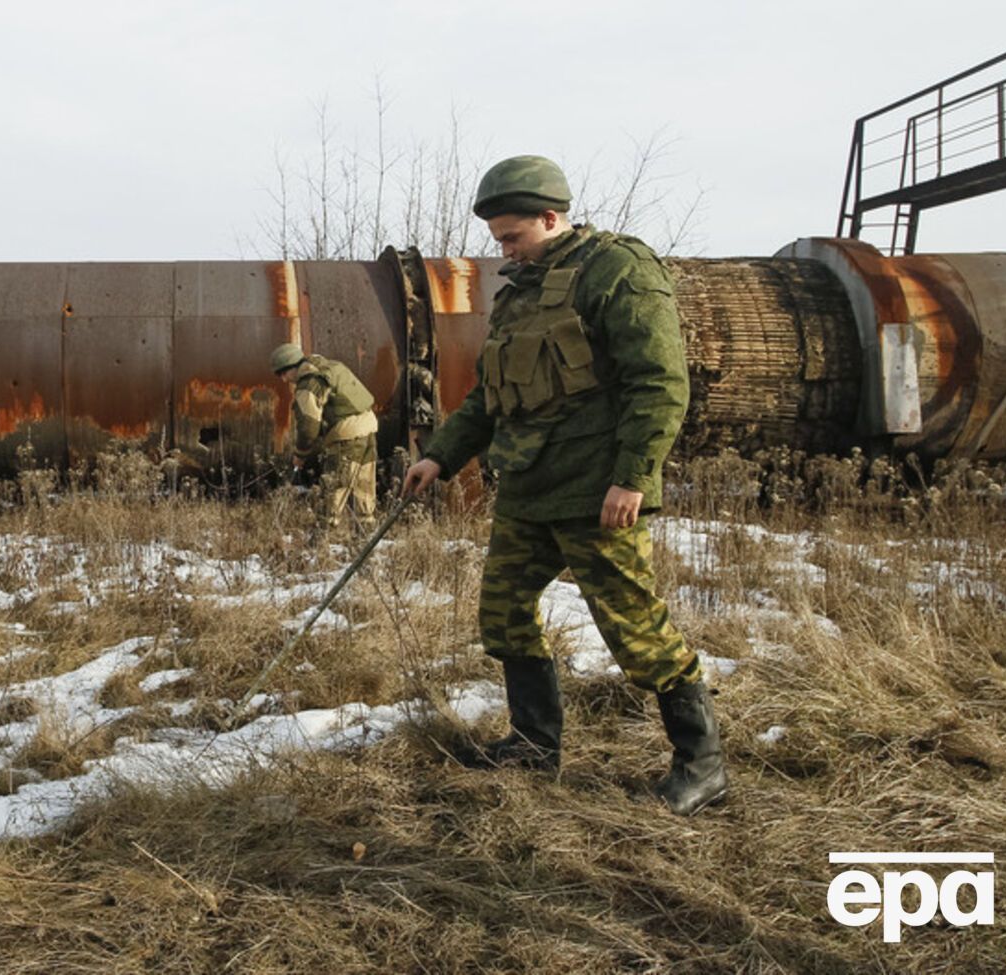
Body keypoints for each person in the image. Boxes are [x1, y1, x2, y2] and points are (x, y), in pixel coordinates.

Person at [401, 155, 728, 816]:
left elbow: (660, 381)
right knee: (503, 610)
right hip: (529, 482)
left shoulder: (619, 270)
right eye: (498, 240)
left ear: (552, 217)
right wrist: (440, 455)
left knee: (633, 626)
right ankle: (532, 743)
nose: (504, 250)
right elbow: (493, 395)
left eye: (513, 236)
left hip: (595, 489)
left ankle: (703, 763)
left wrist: (632, 476)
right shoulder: (521, 290)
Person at [270, 343, 379, 532]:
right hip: (368, 428)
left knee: (333, 490)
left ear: (292, 367)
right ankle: (366, 539)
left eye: (283, 373)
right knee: (364, 491)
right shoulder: (329, 366)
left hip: (347, 435)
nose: (283, 379)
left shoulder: (308, 384)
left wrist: (300, 455)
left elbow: (308, 428)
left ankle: (320, 545)